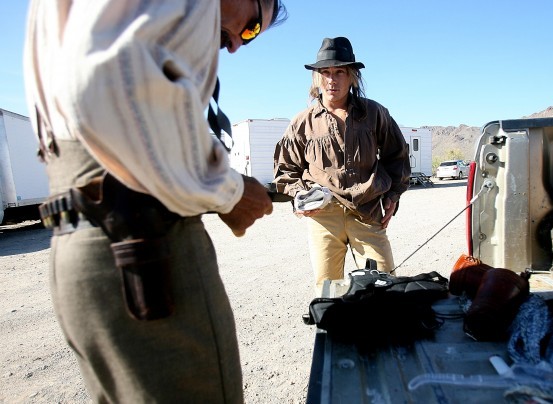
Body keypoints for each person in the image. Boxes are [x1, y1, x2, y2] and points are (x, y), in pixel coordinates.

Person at [23, 0, 286, 402]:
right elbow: (109, 86)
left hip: (87, 241)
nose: (236, 47)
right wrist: (228, 191)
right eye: (251, 26)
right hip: (143, 247)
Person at [273, 37, 411, 295]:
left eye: (339, 72)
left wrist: (393, 195)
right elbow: (286, 171)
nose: (331, 80)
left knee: (384, 286)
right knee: (329, 291)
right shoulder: (302, 122)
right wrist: (300, 196)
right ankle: (333, 332)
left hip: (368, 211)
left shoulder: (375, 113)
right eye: (325, 72)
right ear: (317, 78)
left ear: (352, 77)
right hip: (323, 215)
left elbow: (397, 155)